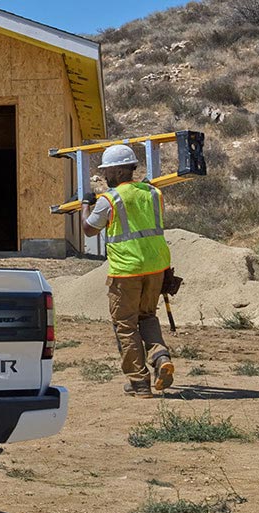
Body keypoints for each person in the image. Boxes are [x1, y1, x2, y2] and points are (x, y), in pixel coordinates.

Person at [81, 144, 175, 397]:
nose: (105, 176)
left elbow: (89, 229)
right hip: (156, 268)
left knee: (125, 325)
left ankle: (139, 382)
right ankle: (160, 357)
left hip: (126, 271)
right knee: (147, 316)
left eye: (107, 171)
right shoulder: (154, 194)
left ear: (119, 171)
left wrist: (85, 207)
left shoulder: (110, 199)